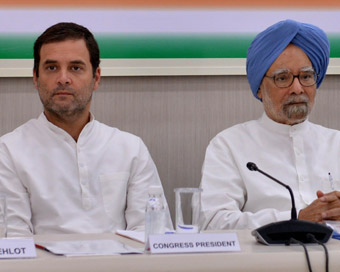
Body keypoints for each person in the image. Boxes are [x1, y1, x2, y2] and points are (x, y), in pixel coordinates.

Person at [0, 22, 171, 236]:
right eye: (52, 68)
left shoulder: (130, 148)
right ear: (35, 78)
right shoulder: (9, 151)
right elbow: (13, 241)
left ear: (96, 78)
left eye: (75, 68)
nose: (63, 78)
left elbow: (153, 233)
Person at [199, 19, 340, 230]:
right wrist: (296, 219)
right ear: (259, 89)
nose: (297, 88)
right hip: (261, 261)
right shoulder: (229, 145)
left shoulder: (336, 143)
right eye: (282, 78)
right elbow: (212, 223)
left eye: (306, 76)